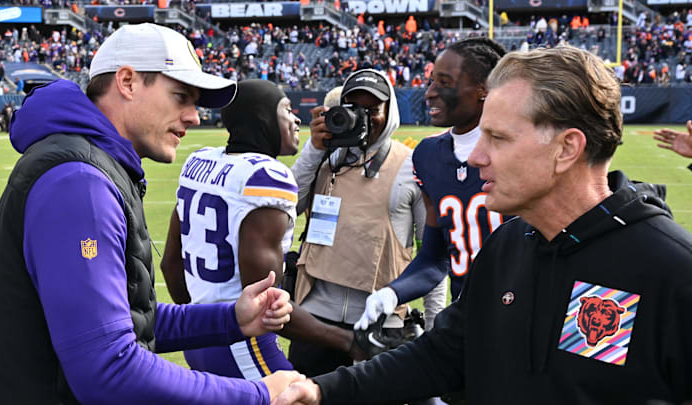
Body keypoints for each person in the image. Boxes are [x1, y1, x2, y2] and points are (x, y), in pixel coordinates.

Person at [273, 46, 692, 405]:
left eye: (498, 138)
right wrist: (322, 392)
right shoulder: (506, 245)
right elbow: (445, 354)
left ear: (567, 147)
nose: (475, 157)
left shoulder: (670, 270)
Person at [0, 23, 302, 404]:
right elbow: (109, 368)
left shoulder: (93, 166)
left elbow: (126, 318)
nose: (194, 117)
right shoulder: (80, 183)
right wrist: (260, 395)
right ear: (127, 81)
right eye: (181, 96)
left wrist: (231, 319)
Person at [159, 79, 360, 380]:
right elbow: (266, 305)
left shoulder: (199, 161)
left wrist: (199, 324)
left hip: (199, 334)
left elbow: (170, 264)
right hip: (241, 341)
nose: (296, 119)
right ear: (263, 118)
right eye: (287, 110)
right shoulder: (266, 177)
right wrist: (349, 341)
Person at [355, 38, 508, 332]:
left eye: (444, 82)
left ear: (484, 89)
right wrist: (394, 291)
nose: (430, 93)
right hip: (468, 318)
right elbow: (436, 257)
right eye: (431, 81)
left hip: (523, 318)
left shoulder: (519, 151)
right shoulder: (428, 155)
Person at [288, 68, 427, 377]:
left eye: (372, 109)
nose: (363, 118)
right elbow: (288, 206)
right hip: (315, 315)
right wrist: (314, 149)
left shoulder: (411, 166)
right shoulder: (326, 157)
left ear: (389, 111)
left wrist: (433, 321)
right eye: (354, 109)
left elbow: (432, 253)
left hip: (381, 319)